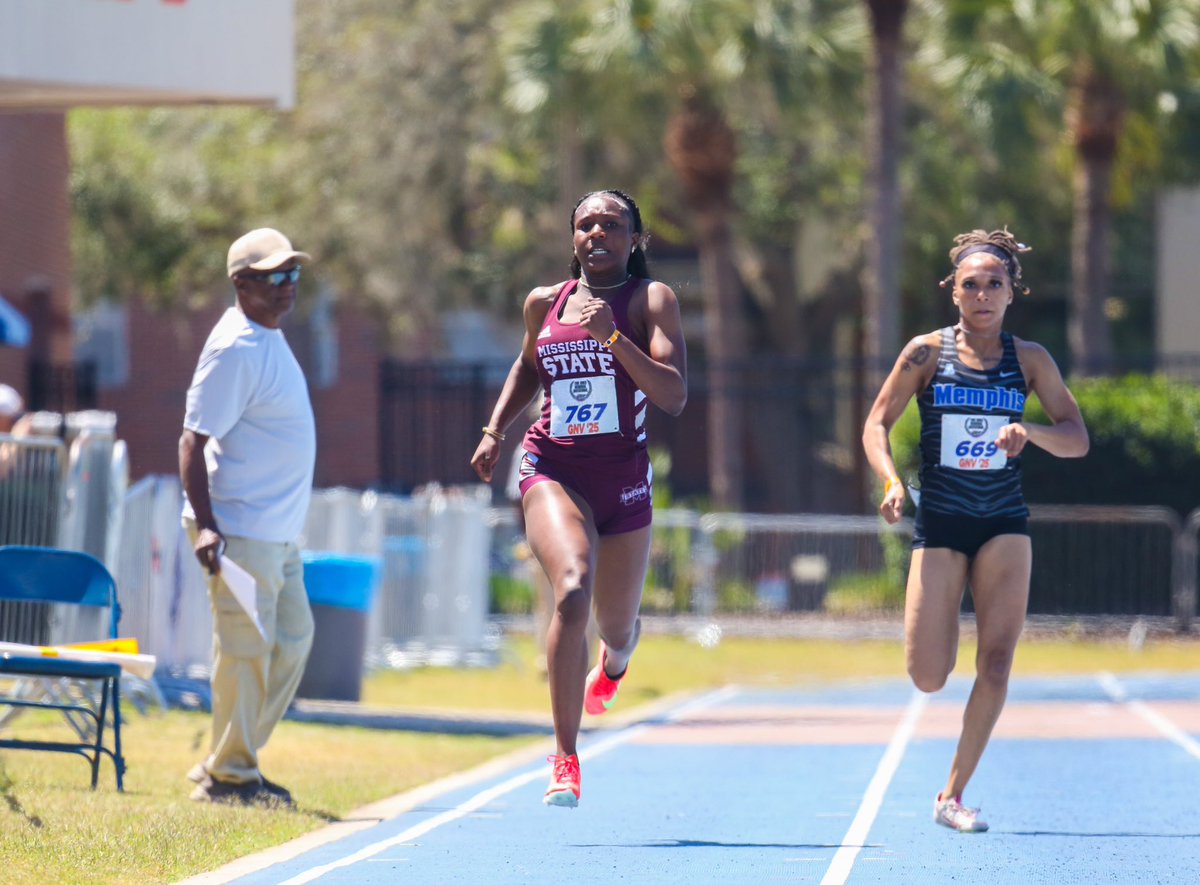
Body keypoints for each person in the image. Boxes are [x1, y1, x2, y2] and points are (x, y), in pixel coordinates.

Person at [862, 227, 1089, 832]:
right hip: (940, 524)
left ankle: (951, 796)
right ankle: (938, 630)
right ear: (953, 291)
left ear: (1013, 291)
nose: (983, 294)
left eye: (995, 284)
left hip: (1003, 524)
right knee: (929, 675)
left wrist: (1030, 434)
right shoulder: (924, 353)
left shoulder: (1031, 359)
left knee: (995, 663)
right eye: (971, 284)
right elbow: (876, 425)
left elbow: (1076, 436)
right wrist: (890, 481)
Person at [471, 189, 687, 807]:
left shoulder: (652, 301)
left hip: (622, 479)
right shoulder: (546, 302)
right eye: (586, 224)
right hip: (552, 467)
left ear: (634, 239)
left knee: (615, 626)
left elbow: (673, 395)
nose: (598, 233)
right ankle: (566, 756)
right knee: (571, 587)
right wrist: (494, 432)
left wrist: (615, 338)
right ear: (573, 239)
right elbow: (528, 368)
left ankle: (616, 661)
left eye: (612, 225)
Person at [179, 227, 317, 808]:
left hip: (276, 533)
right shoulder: (236, 347)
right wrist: (208, 526)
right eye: (274, 276)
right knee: (245, 651)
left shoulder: (266, 336)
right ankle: (231, 778)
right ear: (242, 283)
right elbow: (192, 441)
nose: (287, 287)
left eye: (293, 275)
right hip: (239, 529)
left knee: (292, 640)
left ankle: (227, 761)